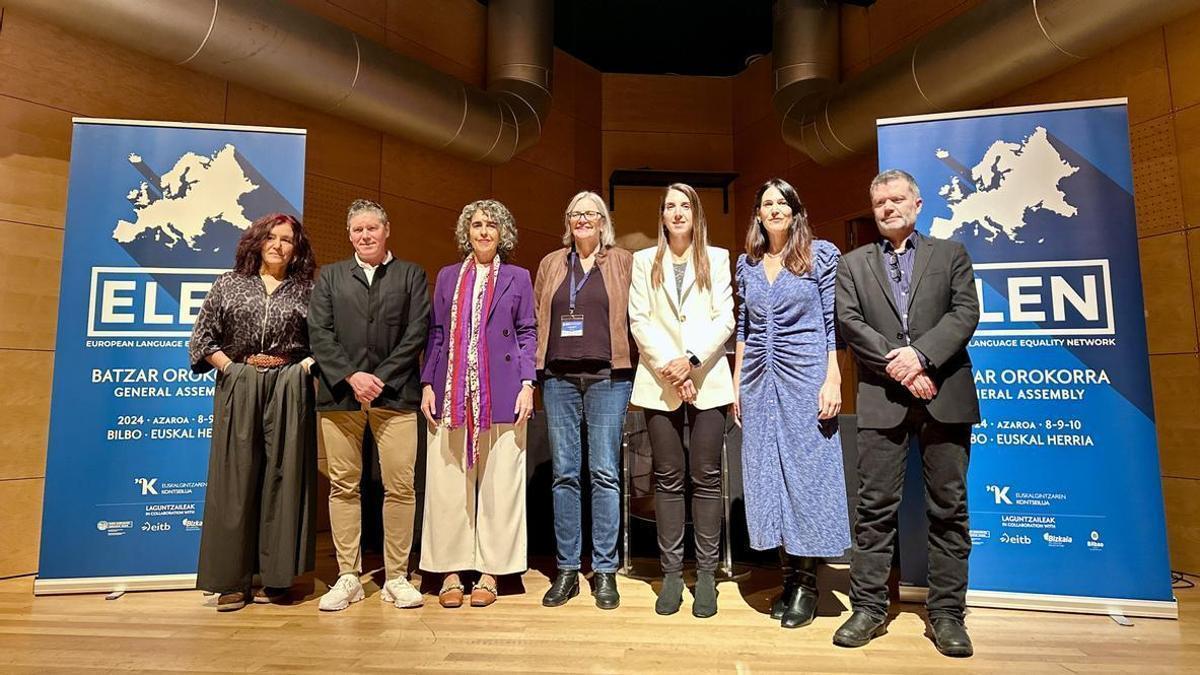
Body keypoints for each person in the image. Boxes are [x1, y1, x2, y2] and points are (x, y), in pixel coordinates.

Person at [834, 169, 980, 657]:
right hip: (882, 397)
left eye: (897, 200)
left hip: (946, 393)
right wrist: (901, 366)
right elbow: (850, 323)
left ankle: (946, 615)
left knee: (949, 509)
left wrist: (921, 356)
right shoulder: (853, 264)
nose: (888, 208)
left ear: (918, 205)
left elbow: (964, 314)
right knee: (874, 510)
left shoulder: (951, 254)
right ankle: (869, 608)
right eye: (880, 203)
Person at [733, 178, 849, 629]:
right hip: (759, 378)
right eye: (767, 203)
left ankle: (807, 585)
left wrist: (833, 377)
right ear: (758, 214)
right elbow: (744, 327)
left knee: (807, 475)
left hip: (806, 375)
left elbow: (831, 321)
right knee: (768, 475)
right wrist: (739, 383)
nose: (775, 209)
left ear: (795, 210)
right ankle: (787, 579)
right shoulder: (748, 263)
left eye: (782, 202)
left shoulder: (820, 254)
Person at [188, 212, 318, 612]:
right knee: (236, 479)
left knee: (284, 477)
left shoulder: (307, 290)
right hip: (240, 381)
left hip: (288, 385)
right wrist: (231, 369)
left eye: (288, 240)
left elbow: (325, 340)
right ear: (258, 241)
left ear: (297, 249)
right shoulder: (229, 284)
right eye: (272, 238)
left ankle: (277, 578)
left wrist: (304, 368)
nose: (279, 245)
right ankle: (231, 581)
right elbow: (202, 339)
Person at [307, 199, 431, 612]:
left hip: (395, 396)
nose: (365, 235)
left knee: (400, 486)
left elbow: (417, 333)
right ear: (349, 235)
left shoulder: (411, 275)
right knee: (344, 485)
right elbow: (319, 334)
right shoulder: (330, 278)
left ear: (386, 230)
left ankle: (397, 575)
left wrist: (379, 379)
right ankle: (348, 576)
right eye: (358, 229)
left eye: (372, 228)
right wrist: (352, 376)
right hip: (340, 397)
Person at [419, 199, 537, 608]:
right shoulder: (448, 277)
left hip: (503, 393)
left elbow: (527, 332)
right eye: (477, 225)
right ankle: (450, 569)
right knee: (449, 484)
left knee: (500, 485)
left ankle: (491, 570)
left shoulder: (519, 277)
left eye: (492, 225)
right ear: (466, 232)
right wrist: (428, 383)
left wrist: (527, 383)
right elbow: (437, 334)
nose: (484, 231)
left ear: (503, 233)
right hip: (452, 395)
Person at [628, 183, 735, 618]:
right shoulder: (642, 261)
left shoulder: (719, 258)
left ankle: (706, 574)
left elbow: (724, 318)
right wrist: (672, 368)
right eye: (669, 206)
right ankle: (672, 574)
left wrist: (690, 363)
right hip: (658, 381)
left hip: (707, 377)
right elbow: (640, 319)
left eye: (684, 205)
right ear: (662, 215)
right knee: (668, 478)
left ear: (696, 213)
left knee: (706, 478)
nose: (676, 212)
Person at [534, 191, 634, 610]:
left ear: (603, 220)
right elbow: (538, 317)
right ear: (568, 221)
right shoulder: (552, 263)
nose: (583, 220)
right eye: (576, 213)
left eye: (591, 213)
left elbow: (639, 316)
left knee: (605, 473)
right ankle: (569, 569)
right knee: (565, 475)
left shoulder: (623, 260)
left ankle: (606, 570)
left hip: (608, 377)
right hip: (558, 378)